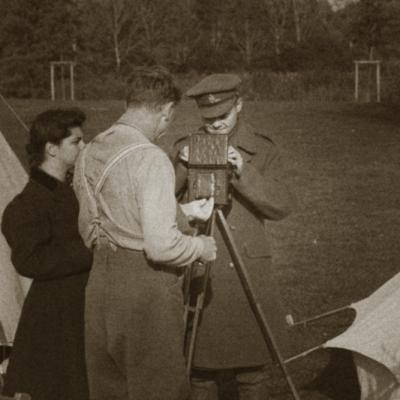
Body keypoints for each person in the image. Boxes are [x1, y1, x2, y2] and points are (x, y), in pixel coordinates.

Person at [73, 66, 217, 400]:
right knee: (159, 389)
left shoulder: (89, 151)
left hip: (98, 287)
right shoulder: (150, 157)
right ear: (165, 111)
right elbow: (161, 247)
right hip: (145, 290)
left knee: (109, 390)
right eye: (169, 119)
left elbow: (90, 227)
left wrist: (177, 213)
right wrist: (200, 246)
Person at [172, 73, 294, 400]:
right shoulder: (184, 147)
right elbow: (163, 202)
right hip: (201, 263)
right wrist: (182, 167)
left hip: (245, 268)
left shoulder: (261, 148)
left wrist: (244, 172)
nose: (214, 125)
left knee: (251, 368)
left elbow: (281, 205)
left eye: (222, 116)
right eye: (207, 118)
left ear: (239, 105)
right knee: (200, 366)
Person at [1, 108, 93, 400]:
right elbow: (29, 261)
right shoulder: (27, 204)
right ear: (52, 149)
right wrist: (87, 252)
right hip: (54, 317)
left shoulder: (67, 189)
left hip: (76, 308)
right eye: (76, 142)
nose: (83, 146)